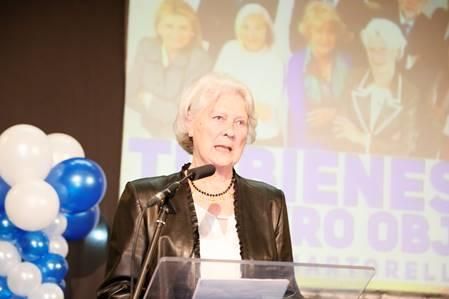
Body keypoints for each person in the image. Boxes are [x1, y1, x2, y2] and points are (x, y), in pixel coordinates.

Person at [97, 73, 298, 298]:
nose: (230, 131)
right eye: (219, 117)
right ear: (190, 124)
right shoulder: (148, 199)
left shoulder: (269, 202)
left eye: (240, 122)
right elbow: (116, 291)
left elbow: (288, 292)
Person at [126, 0, 211, 139]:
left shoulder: (200, 60)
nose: (176, 33)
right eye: (169, 26)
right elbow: (129, 94)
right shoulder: (146, 46)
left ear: (192, 32)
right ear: (158, 27)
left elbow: (185, 114)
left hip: (179, 136)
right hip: (140, 128)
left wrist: (148, 99)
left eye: (183, 27)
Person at [333, 18, 418, 157]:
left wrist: (360, 138)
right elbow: (339, 133)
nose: (376, 56)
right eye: (371, 49)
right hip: (351, 165)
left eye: (383, 49)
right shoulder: (353, 79)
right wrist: (386, 143)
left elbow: (406, 148)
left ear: (397, 52)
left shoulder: (410, 93)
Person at [214, 3, 285, 146]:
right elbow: (215, 92)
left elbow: (266, 111)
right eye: (246, 27)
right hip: (227, 134)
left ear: (267, 30)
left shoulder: (276, 59)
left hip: (263, 136)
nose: (251, 34)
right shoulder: (229, 50)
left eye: (258, 28)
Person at [285, 1, 351, 149]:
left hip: (342, 142)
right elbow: (297, 111)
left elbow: (352, 107)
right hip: (306, 141)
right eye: (319, 32)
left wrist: (335, 114)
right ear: (309, 33)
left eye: (330, 32)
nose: (325, 38)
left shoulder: (347, 62)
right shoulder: (296, 62)